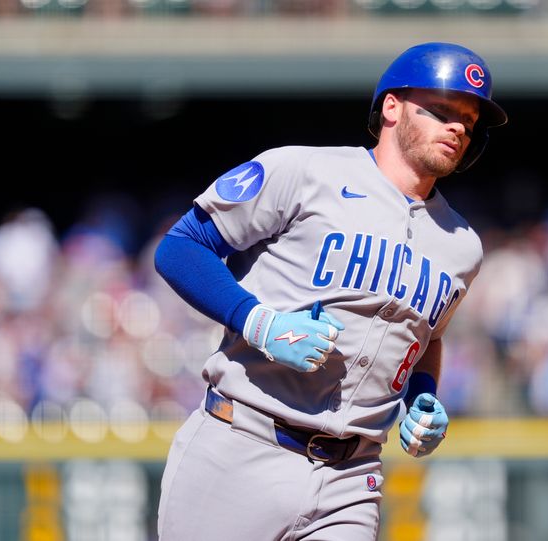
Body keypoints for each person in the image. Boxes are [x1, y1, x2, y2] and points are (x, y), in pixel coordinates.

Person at [153, 41, 508, 540]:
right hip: (242, 445)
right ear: (392, 106)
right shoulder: (304, 171)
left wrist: (423, 395)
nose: (457, 128)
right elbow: (181, 247)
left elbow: (425, 339)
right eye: (443, 110)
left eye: (468, 122)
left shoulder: (462, 246)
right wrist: (259, 321)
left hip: (351, 478)